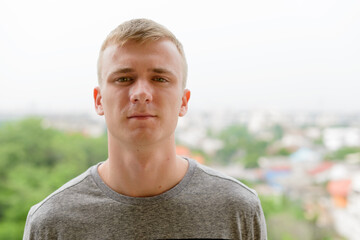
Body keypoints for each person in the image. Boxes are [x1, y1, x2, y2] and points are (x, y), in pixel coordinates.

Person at [23, 18, 267, 239]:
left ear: (183, 101)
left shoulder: (237, 209)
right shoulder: (51, 223)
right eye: (123, 78)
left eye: (159, 79)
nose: (140, 93)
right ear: (98, 101)